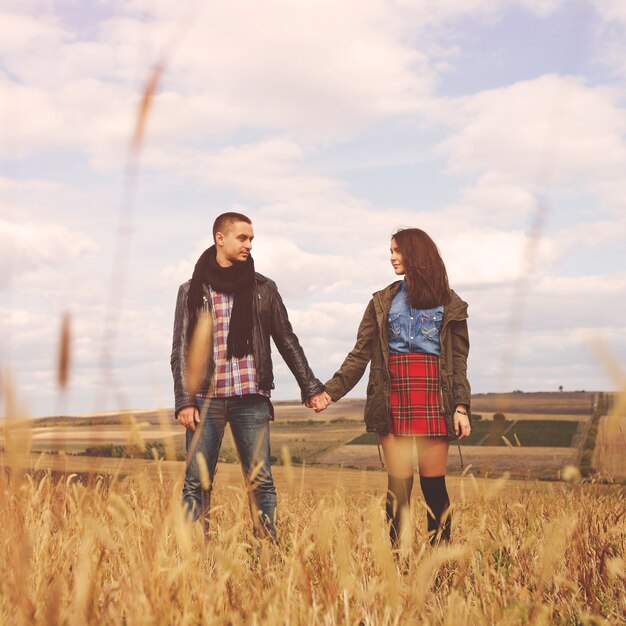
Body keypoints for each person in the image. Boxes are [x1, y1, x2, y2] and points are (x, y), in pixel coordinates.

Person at [309, 228, 471, 547]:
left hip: (435, 397)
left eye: (397, 251)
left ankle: (438, 560)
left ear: (417, 254)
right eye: (391, 251)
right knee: (398, 486)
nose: (392, 257)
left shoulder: (450, 303)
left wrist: (461, 407)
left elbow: (459, 360)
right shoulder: (382, 301)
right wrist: (330, 391)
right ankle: (397, 560)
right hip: (392, 394)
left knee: (434, 485)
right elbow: (360, 352)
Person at [171, 212, 328, 540]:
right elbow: (181, 350)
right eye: (242, 238)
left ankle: (266, 554)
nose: (249, 245)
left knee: (261, 482)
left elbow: (286, 339)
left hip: (251, 398)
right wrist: (184, 400)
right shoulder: (192, 290)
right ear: (220, 238)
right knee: (196, 482)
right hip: (205, 398)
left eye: (251, 239)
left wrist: (310, 386)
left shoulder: (264, 288)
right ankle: (194, 562)